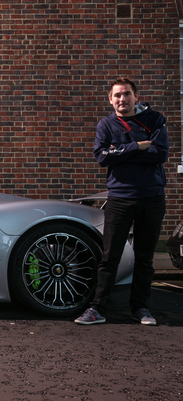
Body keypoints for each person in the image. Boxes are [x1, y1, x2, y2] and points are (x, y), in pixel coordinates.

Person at [75, 77, 168, 326]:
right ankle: (97, 308)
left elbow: (160, 153)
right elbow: (102, 157)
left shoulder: (154, 119)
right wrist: (137, 146)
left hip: (152, 198)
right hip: (119, 199)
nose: (122, 99)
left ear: (136, 97)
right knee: (109, 257)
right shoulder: (106, 124)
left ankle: (140, 308)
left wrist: (120, 152)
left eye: (127, 94)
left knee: (145, 258)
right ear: (110, 99)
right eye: (117, 95)